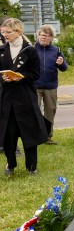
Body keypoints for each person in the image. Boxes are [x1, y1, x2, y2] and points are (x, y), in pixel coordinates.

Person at [0, 18, 48, 175]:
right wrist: (3, 78)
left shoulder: (30, 50)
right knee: (9, 134)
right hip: (7, 99)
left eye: (8, 32)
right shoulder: (1, 50)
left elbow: (35, 74)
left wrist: (20, 77)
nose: (4, 35)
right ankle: (10, 164)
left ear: (18, 31)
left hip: (25, 98)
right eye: (2, 32)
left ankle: (32, 166)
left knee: (29, 133)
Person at [34, 25, 68, 144]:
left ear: (51, 38)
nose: (44, 37)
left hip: (51, 86)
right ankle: (36, 136)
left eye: (47, 36)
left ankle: (48, 136)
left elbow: (64, 68)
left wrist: (61, 63)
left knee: (50, 111)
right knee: (35, 111)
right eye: (42, 35)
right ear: (38, 36)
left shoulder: (56, 50)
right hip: (34, 86)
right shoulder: (31, 49)